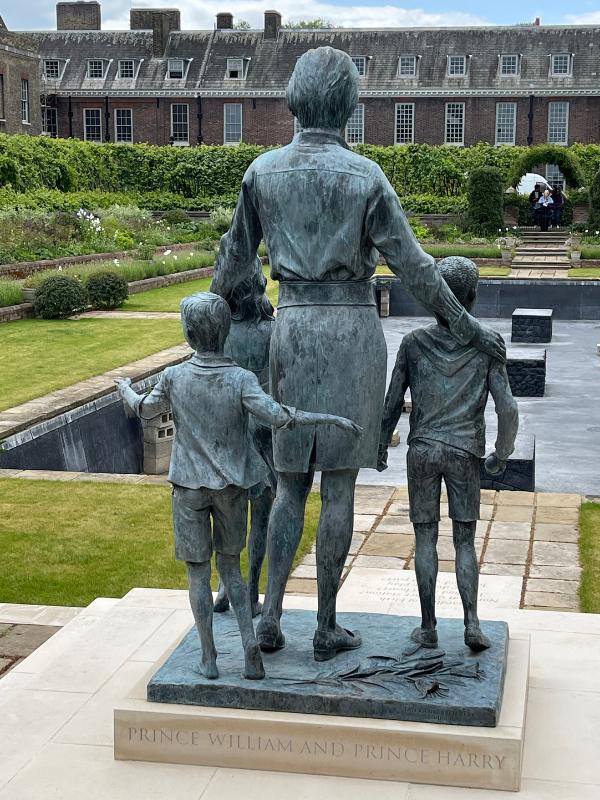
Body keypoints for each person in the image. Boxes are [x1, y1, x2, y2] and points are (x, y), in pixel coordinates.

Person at [210, 46, 505, 663]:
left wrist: (211, 341)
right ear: (349, 104)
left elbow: (231, 269)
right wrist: (470, 328)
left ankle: (269, 617)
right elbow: (419, 272)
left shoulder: (261, 172)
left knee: (291, 485)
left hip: (290, 329)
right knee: (338, 486)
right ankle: (324, 624)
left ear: (295, 100)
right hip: (349, 331)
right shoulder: (366, 176)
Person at [116, 292, 360, 680]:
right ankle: (249, 646)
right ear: (225, 332)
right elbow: (281, 416)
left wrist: (125, 388)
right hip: (231, 488)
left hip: (189, 489)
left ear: (189, 333)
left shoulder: (174, 377)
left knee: (198, 573)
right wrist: (331, 419)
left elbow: (144, 409)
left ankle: (209, 657)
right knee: (231, 568)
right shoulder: (240, 379)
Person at [378, 257, 518, 651]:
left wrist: (379, 446)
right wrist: (501, 455)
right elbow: (507, 408)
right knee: (464, 541)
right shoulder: (486, 345)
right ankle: (471, 623)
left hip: (423, 450)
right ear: (471, 299)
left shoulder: (413, 343)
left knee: (425, 538)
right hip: (464, 452)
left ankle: (428, 626)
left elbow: (391, 403)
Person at [214, 258, 276, 618]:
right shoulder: (271, 330)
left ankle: (226, 586)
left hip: (228, 433)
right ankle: (251, 590)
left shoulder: (218, 333)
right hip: (262, 433)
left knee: (227, 516)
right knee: (262, 519)